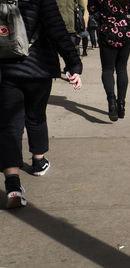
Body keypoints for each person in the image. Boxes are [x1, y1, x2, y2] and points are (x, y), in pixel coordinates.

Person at [0, 0, 83, 209]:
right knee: (36, 116)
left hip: (6, 67)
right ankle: (38, 161)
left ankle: (13, 186)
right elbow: (57, 30)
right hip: (38, 66)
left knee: (10, 126)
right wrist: (73, 64)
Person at [88, 0, 130, 121]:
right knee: (122, 69)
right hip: (125, 32)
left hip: (107, 31)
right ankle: (121, 104)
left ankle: (111, 101)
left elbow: (91, 9)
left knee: (107, 69)